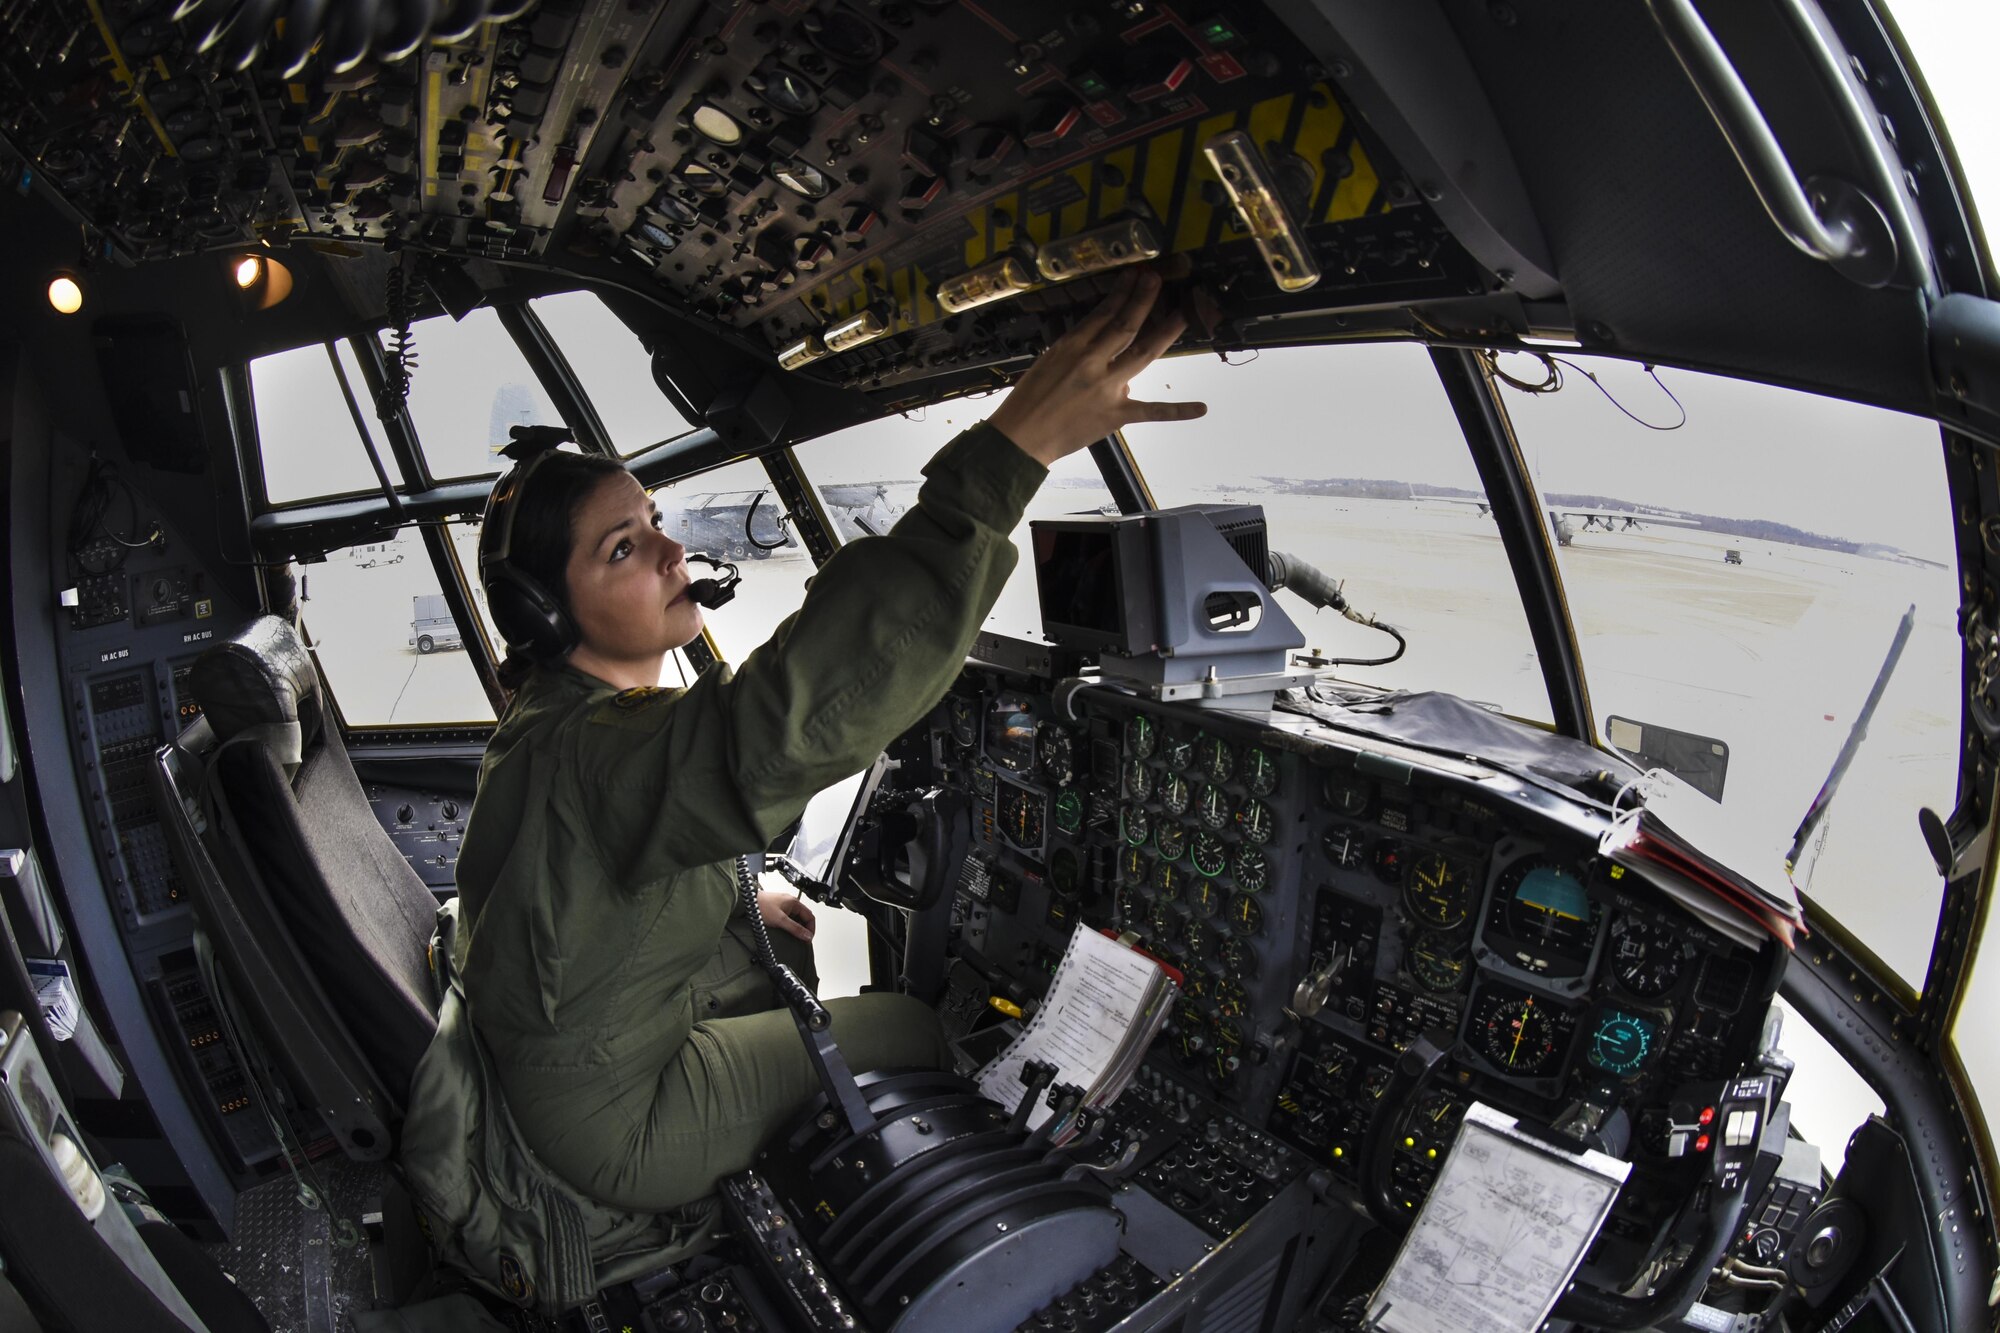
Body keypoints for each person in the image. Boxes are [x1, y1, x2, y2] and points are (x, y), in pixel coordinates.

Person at [446, 270, 1204, 1213]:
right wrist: (1018, 452)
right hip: (611, 1117)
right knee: (915, 1031)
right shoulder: (601, 746)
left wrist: (736, 898)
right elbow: (782, 720)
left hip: (566, 1039)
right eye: (624, 549)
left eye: (652, 524)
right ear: (548, 614)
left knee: (787, 949)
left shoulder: (553, 718)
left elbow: (611, 872)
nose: (673, 553)